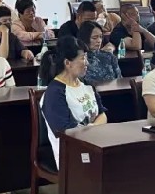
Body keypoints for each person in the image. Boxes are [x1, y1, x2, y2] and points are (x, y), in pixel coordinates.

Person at [40, 37, 107, 170]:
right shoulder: (55, 93)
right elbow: (67, 133)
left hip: (95, 144)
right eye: (82, 58)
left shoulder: (86, 85)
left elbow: (102, 114)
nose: (87, 63)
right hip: (72, 154)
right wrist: (93, 130)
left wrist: (92, 128)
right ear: (67, 63)